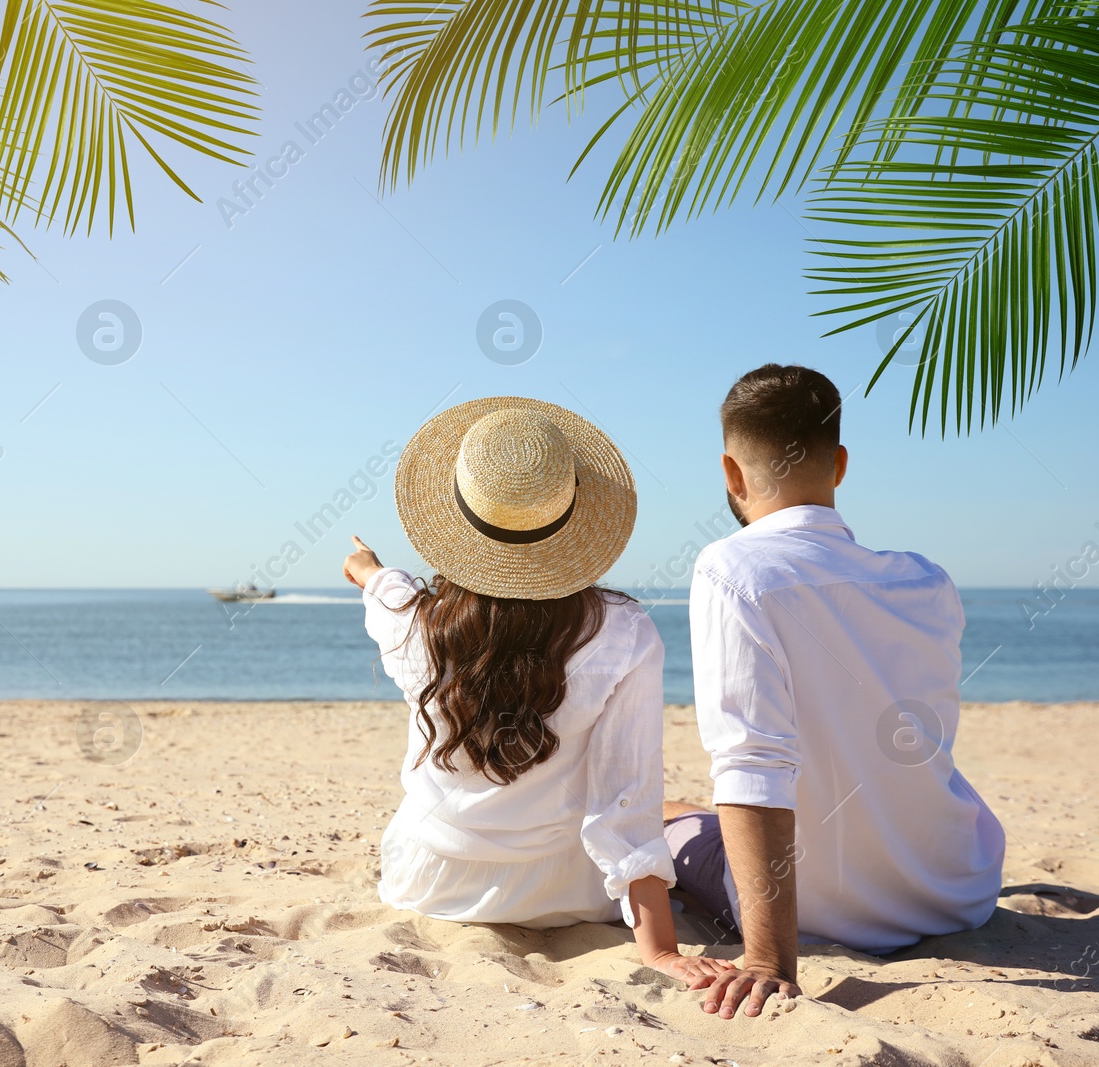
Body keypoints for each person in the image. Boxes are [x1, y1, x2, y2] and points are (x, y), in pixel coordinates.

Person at [343, 397, 733, 989]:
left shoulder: (415, 622)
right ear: (572, 516)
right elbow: (626, 796)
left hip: (431, 885)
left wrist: (367, 568)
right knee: (678, 811)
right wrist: (659, 952)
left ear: (458, 517)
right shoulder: (623, 632)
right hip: (567, 892)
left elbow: (385, 591)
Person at [669, 364, 1006, 1020]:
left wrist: (770, 959)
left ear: (731, 475)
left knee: (663, 816)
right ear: (840, 464)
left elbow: (752, 762)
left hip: (821, 908)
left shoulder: (732, 568)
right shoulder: (926, 580)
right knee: (685, 806)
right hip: (954, 891)